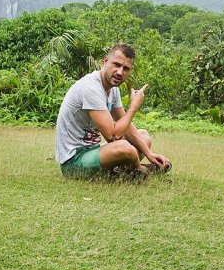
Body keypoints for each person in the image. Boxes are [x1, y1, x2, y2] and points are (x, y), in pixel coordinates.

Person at [55, 43, 171, 180]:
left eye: (126, 68)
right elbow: (112, 136)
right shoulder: (91, 88)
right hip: (74, 162)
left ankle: (123, 171)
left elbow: (126, 128)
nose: (120, 72)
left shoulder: (113, 90)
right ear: (105, 61)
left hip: (94, 151)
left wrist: (149, 153)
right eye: (116, 65)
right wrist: (133, 107)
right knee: (126, 148)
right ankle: (138, 170)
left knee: (143, 136)